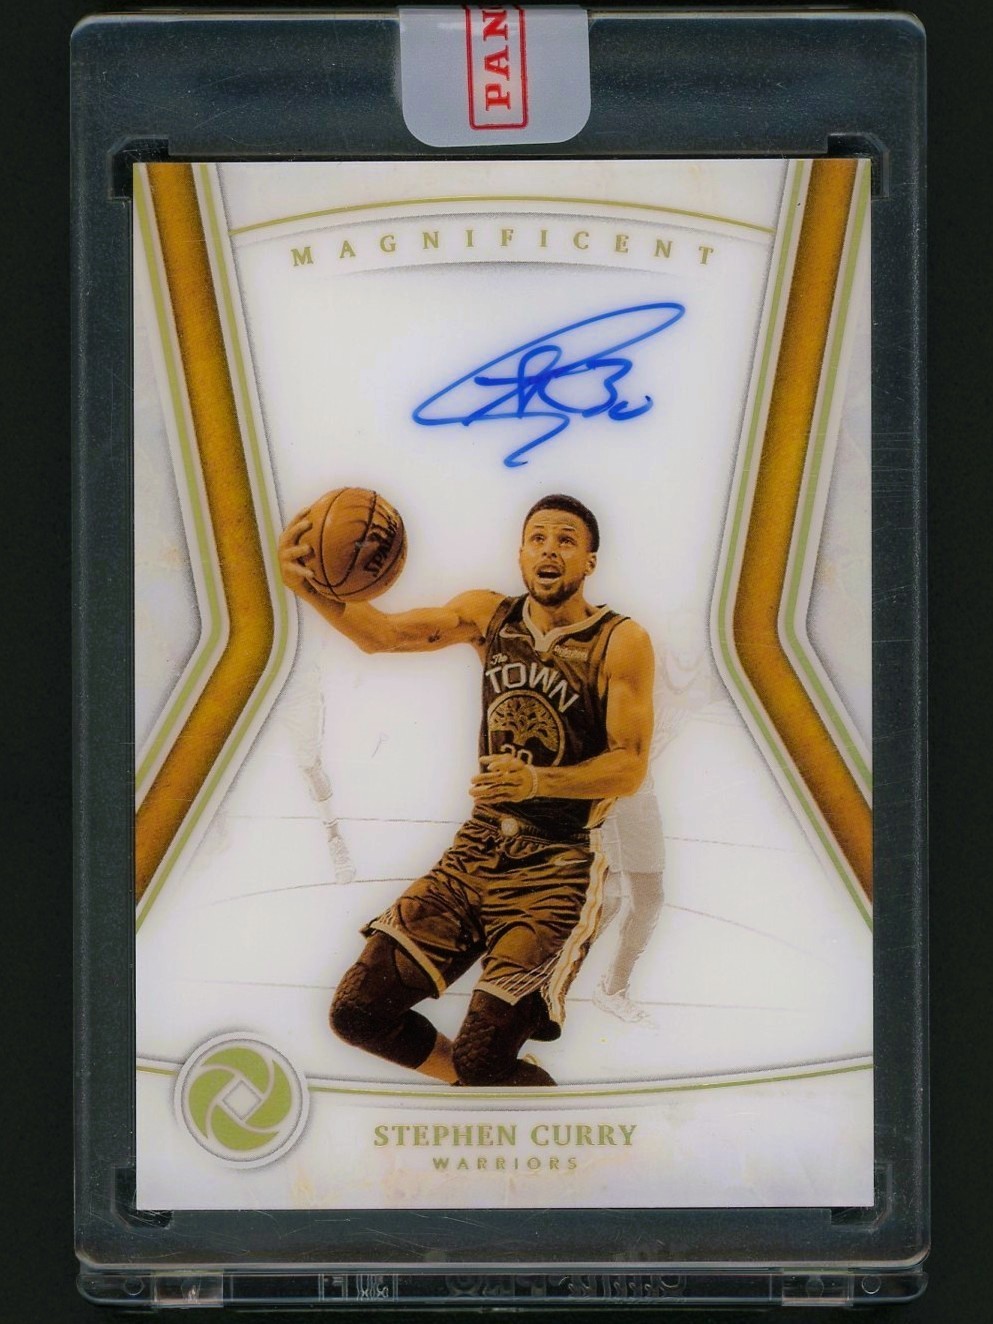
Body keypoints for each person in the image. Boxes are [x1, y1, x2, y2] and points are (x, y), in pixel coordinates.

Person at [277, 494, 654, 1087]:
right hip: (476, 850)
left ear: (589, 562)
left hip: (555, 867)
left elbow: (629, 767)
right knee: (357, 1014)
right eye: (538, 538)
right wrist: (306, 585)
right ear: (521, 553)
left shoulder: (621, 640)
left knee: (483, 1058)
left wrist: (538, 781)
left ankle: (500, 1077)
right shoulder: (489, 615)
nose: (549, 549)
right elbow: (383, 635)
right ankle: (482, 1087)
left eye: (566, 540)